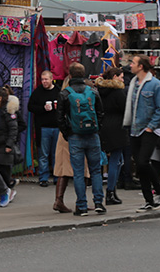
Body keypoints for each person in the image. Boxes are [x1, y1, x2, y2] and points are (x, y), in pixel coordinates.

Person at [59, 63, 105, 216]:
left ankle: (82, 206)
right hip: (93, 135)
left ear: (70, 75)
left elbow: (60, 118)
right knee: (95, 171)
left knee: (78, 173)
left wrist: (68, 133)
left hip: (75, 136)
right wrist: (97, 129)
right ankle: (99, 202)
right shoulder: (93, 91)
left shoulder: (65, 93)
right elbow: (101, 113)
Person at [123, 55, 160, 212]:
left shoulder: (156, 85)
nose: (130, 65)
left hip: (149, 129)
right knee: (140, 166)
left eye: (133, 63)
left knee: (143, 162)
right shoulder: (134, 84)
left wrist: (151, 126)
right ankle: (148, 200)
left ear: (141, 66)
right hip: (135, 128)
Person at [95, 67, 127, 205]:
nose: (123, 79)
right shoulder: (118, 92)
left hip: (103, 126)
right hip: (117, 127)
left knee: (116, 159)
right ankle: (110, 192)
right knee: (116, 160)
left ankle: (110, 191)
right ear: (114, 77)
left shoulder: (99, 91)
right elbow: (126, 109)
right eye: (121, 76)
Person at [28, 70, 62, 187]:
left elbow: (65, 106)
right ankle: (43, 178)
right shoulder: (38, 92)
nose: (44, 82)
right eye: (42, 79)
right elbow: (30, 106)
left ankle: (57, 177)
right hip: (43, 127)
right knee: (43, 154)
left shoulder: (58, 91)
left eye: (46, 79)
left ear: (52, 79)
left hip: (57, 127)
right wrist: (43, 108)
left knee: (56, 154)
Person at [0, 87, 24, 199]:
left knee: (3, 170)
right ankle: (5, 189)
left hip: (5, 145)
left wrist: (9, 143)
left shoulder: (9, 111)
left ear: (0, 98)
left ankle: (7, 190)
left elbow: (14, 129)